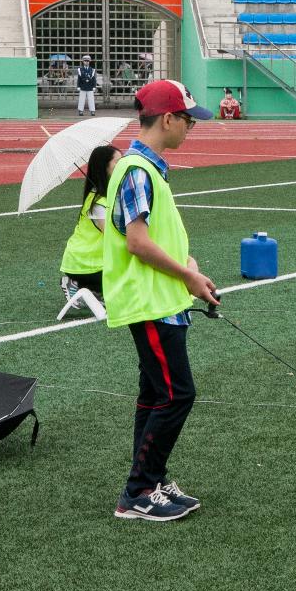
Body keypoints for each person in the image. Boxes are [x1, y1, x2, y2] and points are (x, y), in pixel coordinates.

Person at [103, 79, 218, 522]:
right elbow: (136, 242)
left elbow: (156, 238)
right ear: (168, 119)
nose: (191, 127)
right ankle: (138, 490)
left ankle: (149, 481)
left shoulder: (147, 169)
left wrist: (189, 270)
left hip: (162, 298)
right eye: (188, 119)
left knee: (156, 395)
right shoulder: (136, 170)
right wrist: (187, 275)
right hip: (148, 301)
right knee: (176, 394)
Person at [58, 144, 121, 306]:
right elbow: (112, 235)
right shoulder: (98, 202)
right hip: (84, 263)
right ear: (104, 166)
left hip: (95, 262)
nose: (122, 165)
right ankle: (77, 283)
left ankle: (95, 290)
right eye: (117, 162)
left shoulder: (107, 196)